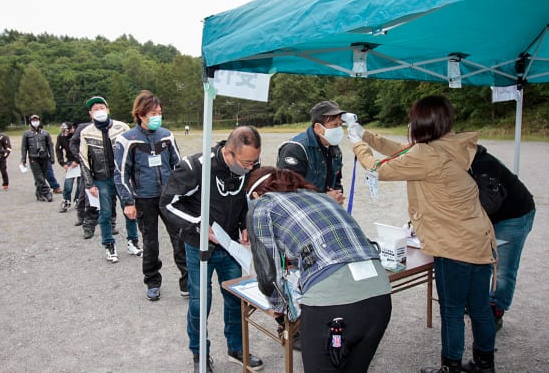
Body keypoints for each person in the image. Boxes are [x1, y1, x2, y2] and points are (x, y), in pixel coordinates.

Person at [349, 95, 497, 373]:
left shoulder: (427, 154)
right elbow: (403, 151)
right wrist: (367, 135)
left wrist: (356, 143)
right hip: (478, 238)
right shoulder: (450, 144)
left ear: (420, 122)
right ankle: (484, 364)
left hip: (454, 245)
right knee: (479, 307)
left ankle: (450, 367)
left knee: (452, 309)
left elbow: (378, 168)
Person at [246, 166, 392, 372]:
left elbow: (268, 272)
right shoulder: (319, 197)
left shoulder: (262, 204)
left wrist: (280, 307)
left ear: (255, 193)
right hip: (379, 297)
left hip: (333, 305)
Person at [161, 126, 264, 372]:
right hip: (199, 247)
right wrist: (198, 224)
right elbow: (167, 203)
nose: (251, 168)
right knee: (199, 303)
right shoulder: (195, 167)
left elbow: (241, 198)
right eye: (247, 163)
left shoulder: (245, 166)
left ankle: (237, 348)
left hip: (230, 246)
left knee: (237, 298)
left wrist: (244, 223)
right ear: (229, 153)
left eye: (255, 162)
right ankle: (200, 354)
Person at [114, 90, 187, 301]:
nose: (157, 116)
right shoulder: (127, 140)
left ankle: (187, 281)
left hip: (168, 197)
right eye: (153, 112)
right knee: (150, 243)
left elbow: (179, 166)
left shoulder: (166, 135)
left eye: (159, 112)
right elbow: (120, 173)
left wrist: (181, 193)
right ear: (141, 114)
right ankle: (153, 282)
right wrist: (128, 201)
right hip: (143, 198)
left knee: (181, 238)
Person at [470, 144, 535, 332]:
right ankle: (479, 304)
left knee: (503, 269)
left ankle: (495, 310)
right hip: (491, 217)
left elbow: (488, 204)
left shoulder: (483, 165)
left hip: (514, 216)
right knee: (481, 262)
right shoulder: (458, 163)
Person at [79, 95, 141, 263]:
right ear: (90, 113)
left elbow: (132, 152)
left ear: (108, 109)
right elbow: (83, 159)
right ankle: (109, 245)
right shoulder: (86, 132)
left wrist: (134, 176)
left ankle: (132, 241)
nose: (99, 111)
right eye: (95, 109)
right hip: (101, 179)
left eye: (101, 107)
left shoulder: (122, 127)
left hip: (122, 177)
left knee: (130, 209)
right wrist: (89, 183)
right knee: (105, 213)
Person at [276, 100, 348, 205]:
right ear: (318, 128)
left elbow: (336, 181)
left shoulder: (334, 149)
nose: (339, 129)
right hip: (299, 213)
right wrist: (324, 197)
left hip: (323, 209)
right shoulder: (295, 149)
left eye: (340, 124)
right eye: (334, 125)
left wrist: (337, 194)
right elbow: (287, 192)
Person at [21, 114, 56, 202]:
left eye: (36, 120)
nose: (35, 122)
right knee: (39, 176)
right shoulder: (27, 134)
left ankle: (39, 193)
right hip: (33, 158)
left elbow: (50, 146)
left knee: (41, 177)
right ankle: (47, 192)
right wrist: (23, 160)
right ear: (30, 122)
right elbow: (24, 147)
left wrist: (52, 157)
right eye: (33, 120)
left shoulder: (45, 133)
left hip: (44, 157)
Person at [56, 122, 80, 213]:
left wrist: (77, 161)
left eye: (67, 131)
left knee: (81, 183)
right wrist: (62, 163)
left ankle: (79, 200)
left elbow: (83, 149)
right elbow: (58, 150)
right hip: (70, 161)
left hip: (80, 161)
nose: (65, 133)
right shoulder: (61, 137)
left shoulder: (78, 136)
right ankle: (66, 201)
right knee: (68, 184)